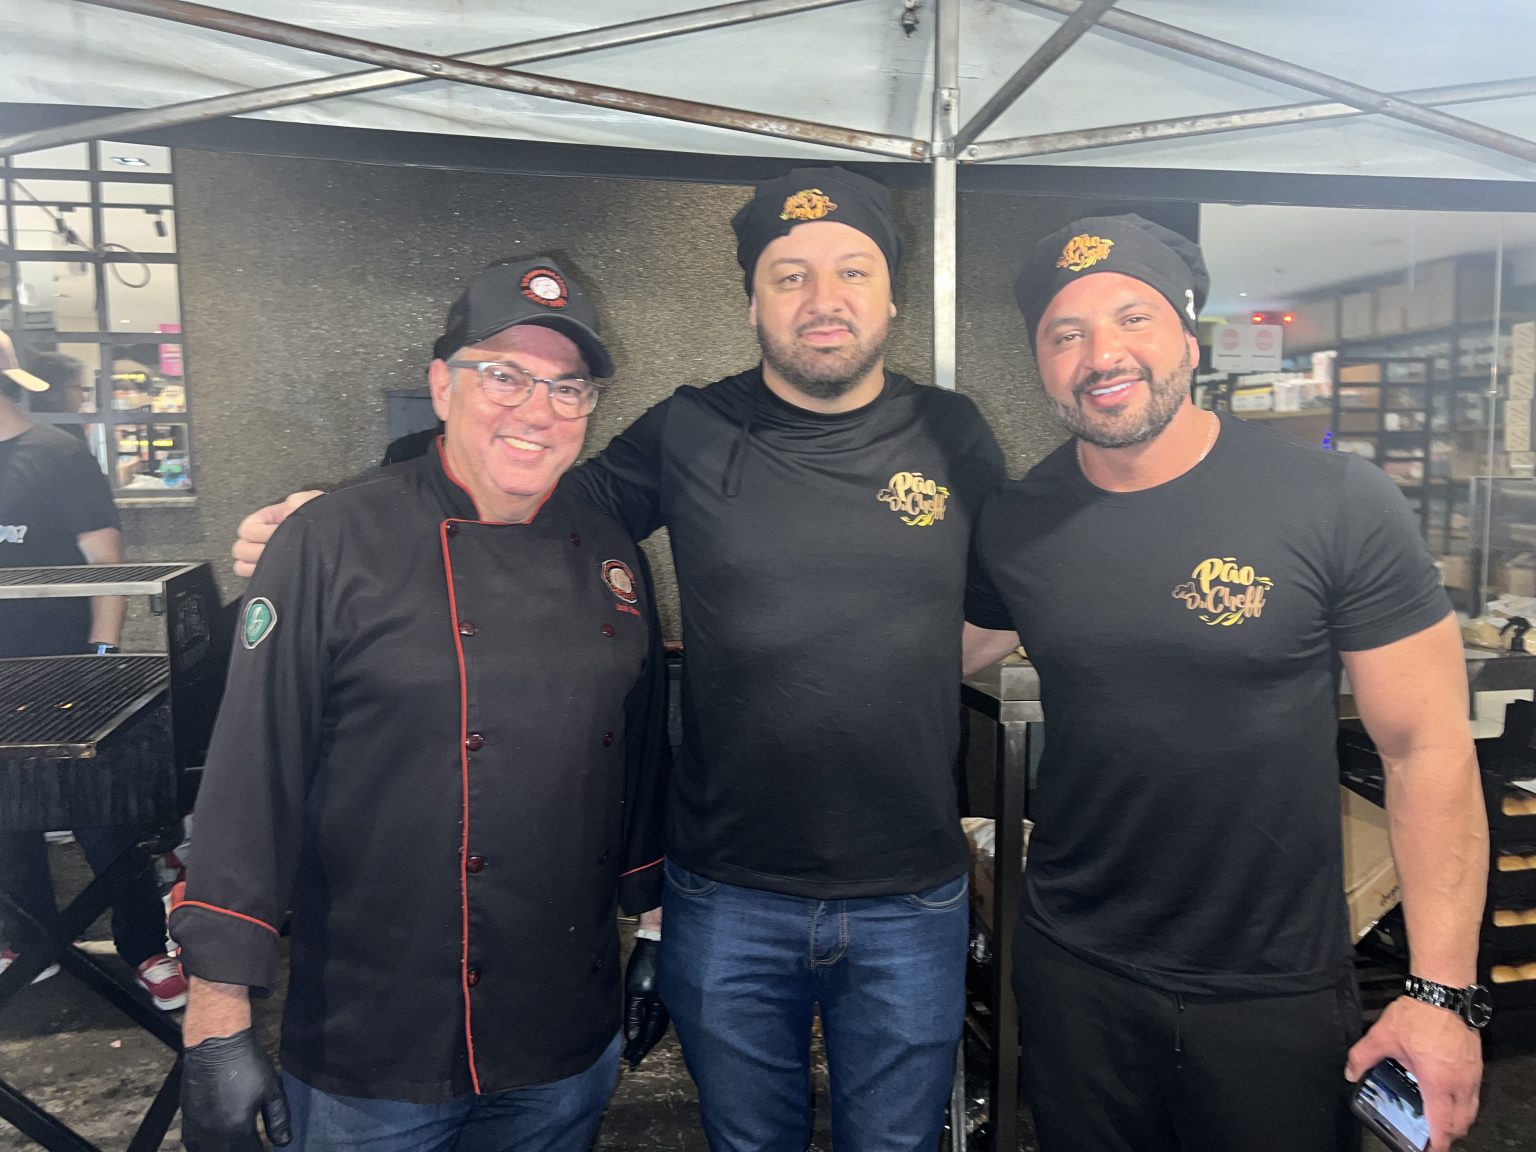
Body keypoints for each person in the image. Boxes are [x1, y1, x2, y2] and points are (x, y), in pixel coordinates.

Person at [231, 168, 1012, 1151]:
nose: (824, 299)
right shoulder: (692, 427)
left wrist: (880, 673)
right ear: (752, 302)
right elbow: (527, 487)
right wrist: (347, 514)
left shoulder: (952, 432)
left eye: (853, 270)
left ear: (892, 296)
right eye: (790, 276)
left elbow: (995, 614)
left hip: (910, 889)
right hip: (727, 891)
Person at [963, 214, 1489, 1152]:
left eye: (1133, 318)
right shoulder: (1017, 522)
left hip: (1272, 985)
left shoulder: (1335, 501)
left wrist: (1440, 994)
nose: (1101, 354)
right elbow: (922, 648)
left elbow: (1427, 749)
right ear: (1041, 362)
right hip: (1076, 970)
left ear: (1189, 339)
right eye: (1065, 333)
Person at [171, 258, 671, 1152]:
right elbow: (252, 777)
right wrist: (215, 1014)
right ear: (442, 386)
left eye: (568, 387)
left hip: (563, 1028)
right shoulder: (329, 540)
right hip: (376, 1044)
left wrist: (659, 928)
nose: (538, 410)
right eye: (504, 375)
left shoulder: (609, 550)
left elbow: (635, 755)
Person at [0, 330, 187, 1010]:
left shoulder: (57, 455)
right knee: (7, 813)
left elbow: (106, 564)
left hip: (66, 666)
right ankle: (28, 940)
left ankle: (145, 947)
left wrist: (102, 658)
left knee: (103, 818)